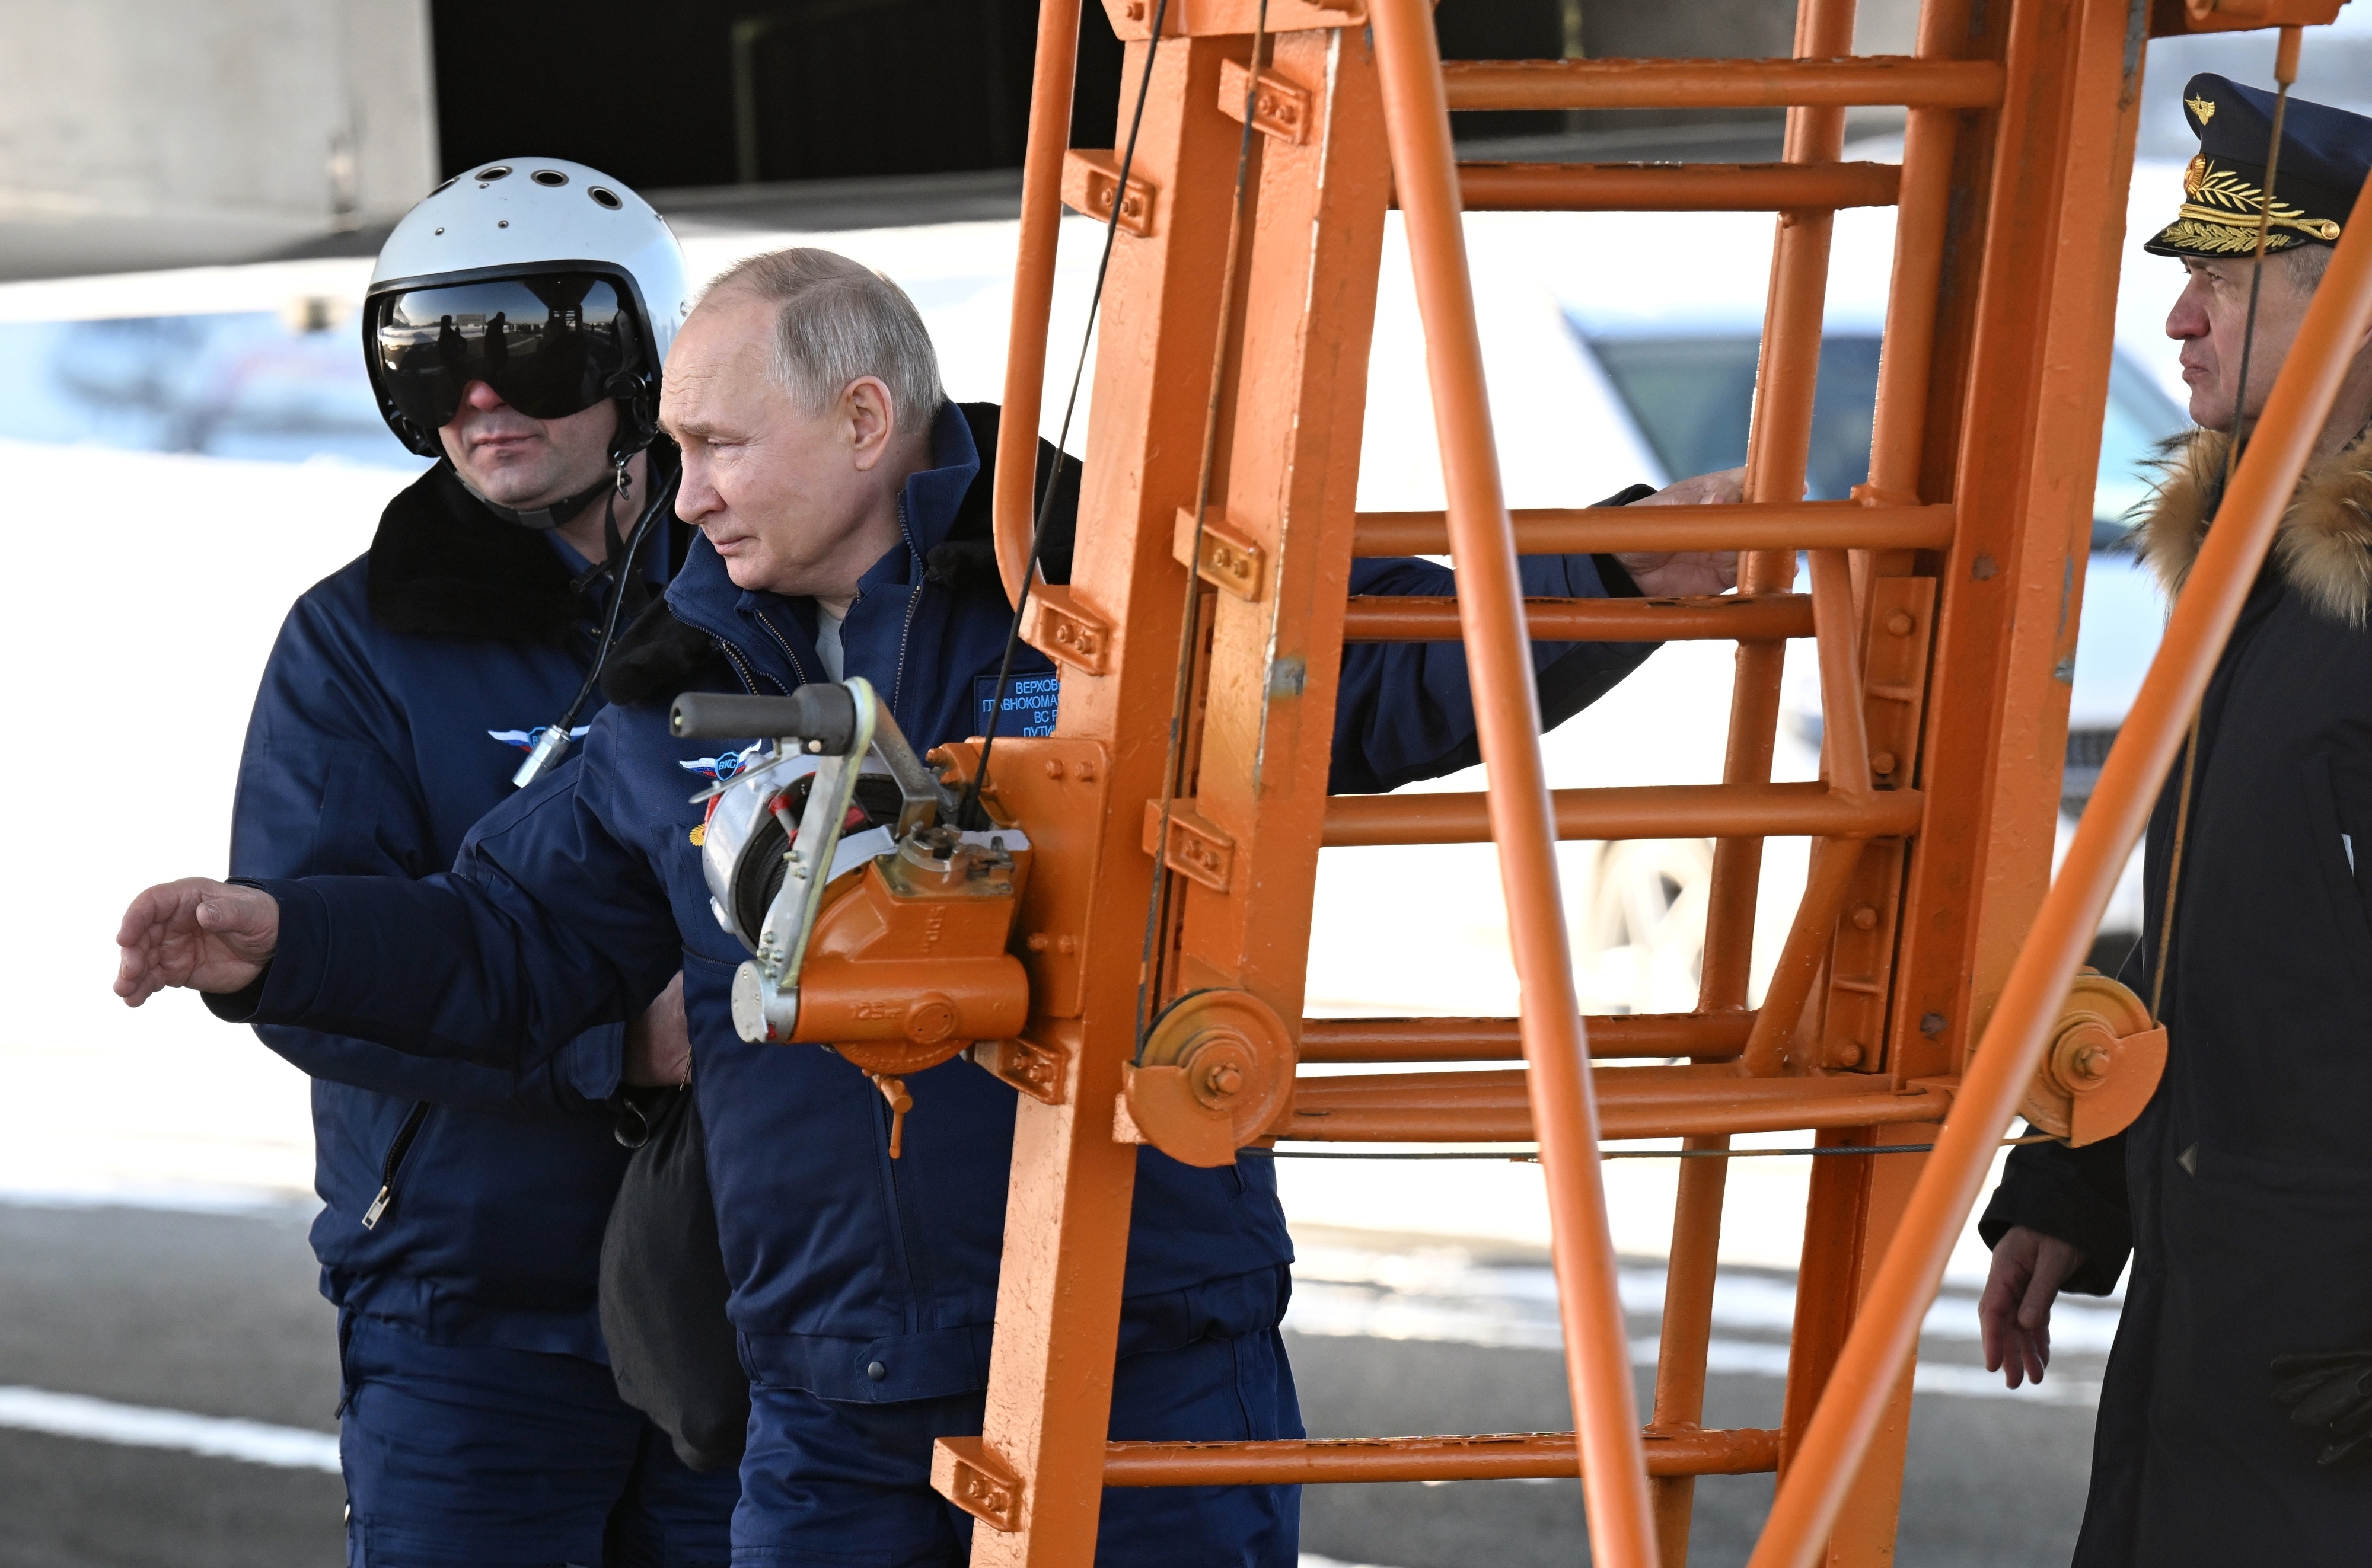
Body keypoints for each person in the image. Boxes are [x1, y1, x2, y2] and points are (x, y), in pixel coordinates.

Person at [117, 244, 1740, 1563]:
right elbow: (518, 945)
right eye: (676, 449)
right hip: (830, 1399)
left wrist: (1603, 583)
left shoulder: (1095, 596)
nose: (681, 496)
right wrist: (286, 939)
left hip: (1141, 1356)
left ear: (868, 421)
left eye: (721, 447)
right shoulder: (665, 690)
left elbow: (1369, 675)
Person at [229, 159, 738, 1564]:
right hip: (472, 1318)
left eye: (531, 353)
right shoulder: (357, 644)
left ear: (641, 367)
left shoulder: (762, 602)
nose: (479, 404)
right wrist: (612, 1050)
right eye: (432, 365)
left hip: (751, 1295)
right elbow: (325, 968)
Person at [1975, 77, 2372, 1564]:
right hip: (2220, 1346)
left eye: (2219, 277)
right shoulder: (2258, 584)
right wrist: (2080, 1177)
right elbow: (2243, 940)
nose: (2177, 320)